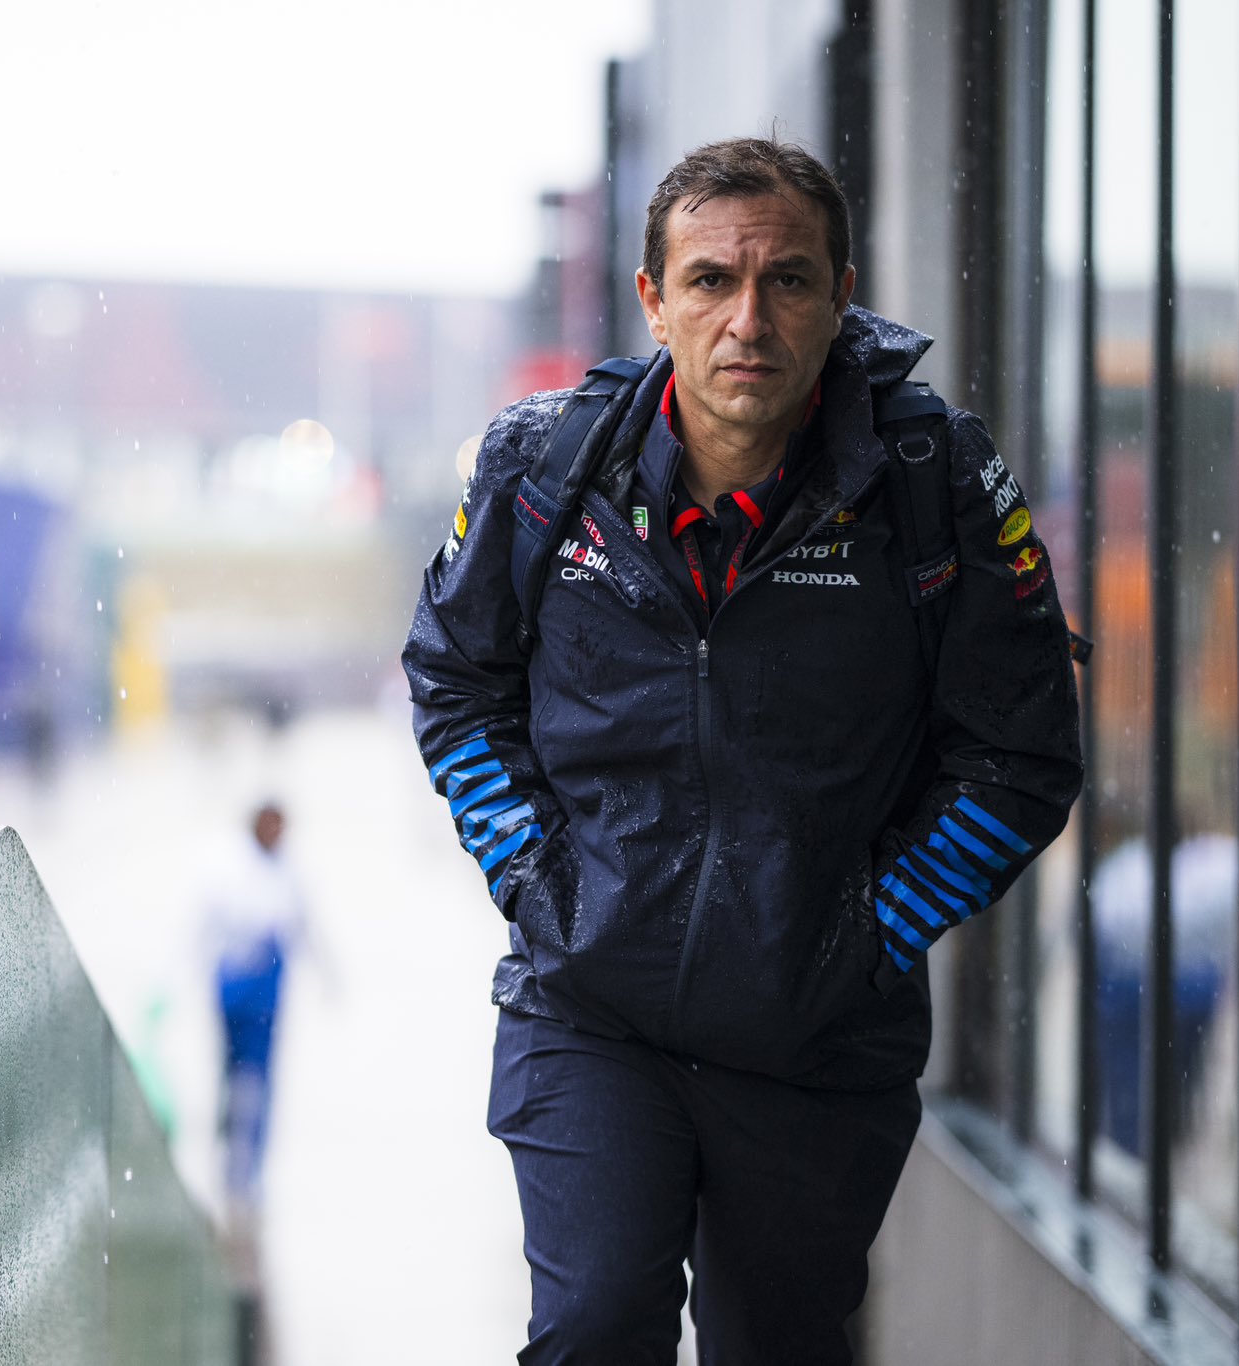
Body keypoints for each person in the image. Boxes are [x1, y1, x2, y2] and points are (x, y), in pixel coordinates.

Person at [402, 138, 1083, 1365]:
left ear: (839, 296)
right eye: (710, 280)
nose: (748, 318)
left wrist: (865, 933)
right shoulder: (544, 466)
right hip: (590, 1009)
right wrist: (535, 880)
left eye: (787, 280)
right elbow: (455, 681)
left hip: (815, 1039)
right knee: (594, 1324)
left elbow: (1021, 752)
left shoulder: (932, 483)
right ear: (653, 300)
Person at [199, 800, 308, 1213]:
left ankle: (246, 1169)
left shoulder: (287, 873)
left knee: (256, 1081)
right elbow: (204, 930)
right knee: (236, 1075)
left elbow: (305, 927)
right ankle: (232, 1150)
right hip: (234, 992)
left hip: (265, 999)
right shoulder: (231, 870)